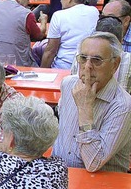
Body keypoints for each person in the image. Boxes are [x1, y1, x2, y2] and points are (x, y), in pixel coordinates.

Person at [54, 32, 131, 172]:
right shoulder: (68, 84)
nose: (87, 66)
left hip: (101, 186)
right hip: (60, 175)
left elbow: (94, 163)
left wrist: (84, 110)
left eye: (97, 60)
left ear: (115, 64)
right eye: (83, 58)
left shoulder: (123, 105)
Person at [41, 0, 99, 68]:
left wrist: (43, 74)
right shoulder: (94, 12)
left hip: (63, 67)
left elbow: (50, 51)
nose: (60, 0)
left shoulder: (58, 15)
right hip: (88, 66)